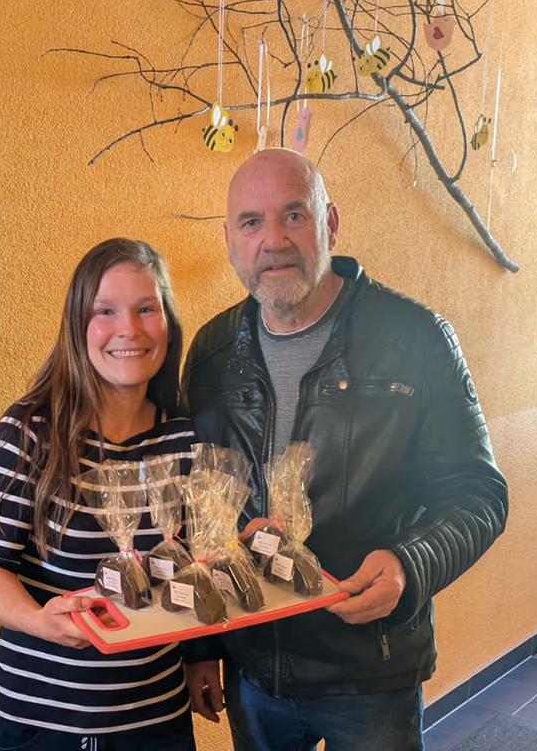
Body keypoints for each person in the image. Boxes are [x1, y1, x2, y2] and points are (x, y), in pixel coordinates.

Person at [181, 149, 509, 751]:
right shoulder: (210, 353)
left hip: (371, 674)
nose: (273, 241)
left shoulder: (415, 340)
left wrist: (413, 565)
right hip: (252, 670)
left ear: (331, 223)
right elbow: (197, 509)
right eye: (252, 222)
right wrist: (201, 647)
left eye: (295, 216)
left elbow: (481, 494)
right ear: (229, 240)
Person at [0, 238, 197, 751]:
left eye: (146, 309)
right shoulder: (30, 431)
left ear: (168, 322)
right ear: (77, 325)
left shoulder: (184, 436)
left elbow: (194, 563)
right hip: (41, 723)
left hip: (157, 719)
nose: (129, 330)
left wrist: (206, 654)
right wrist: (35, 620)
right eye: (105, 311)